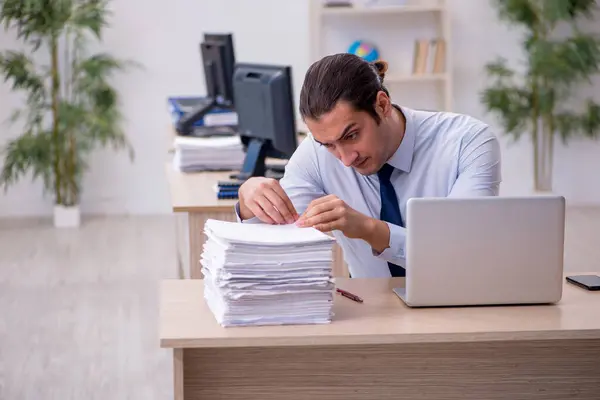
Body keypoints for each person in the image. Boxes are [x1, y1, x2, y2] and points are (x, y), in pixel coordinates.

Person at [234, 53, 501, 278]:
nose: (346, 159)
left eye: (351, 136)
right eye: (328, 144)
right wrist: (249, 201)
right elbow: (272, 246)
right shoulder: (315, 154)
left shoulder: (468, 142)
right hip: (370, 316)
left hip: (460, 310)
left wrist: (369, 229)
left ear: (382, 105)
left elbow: (464, 254)